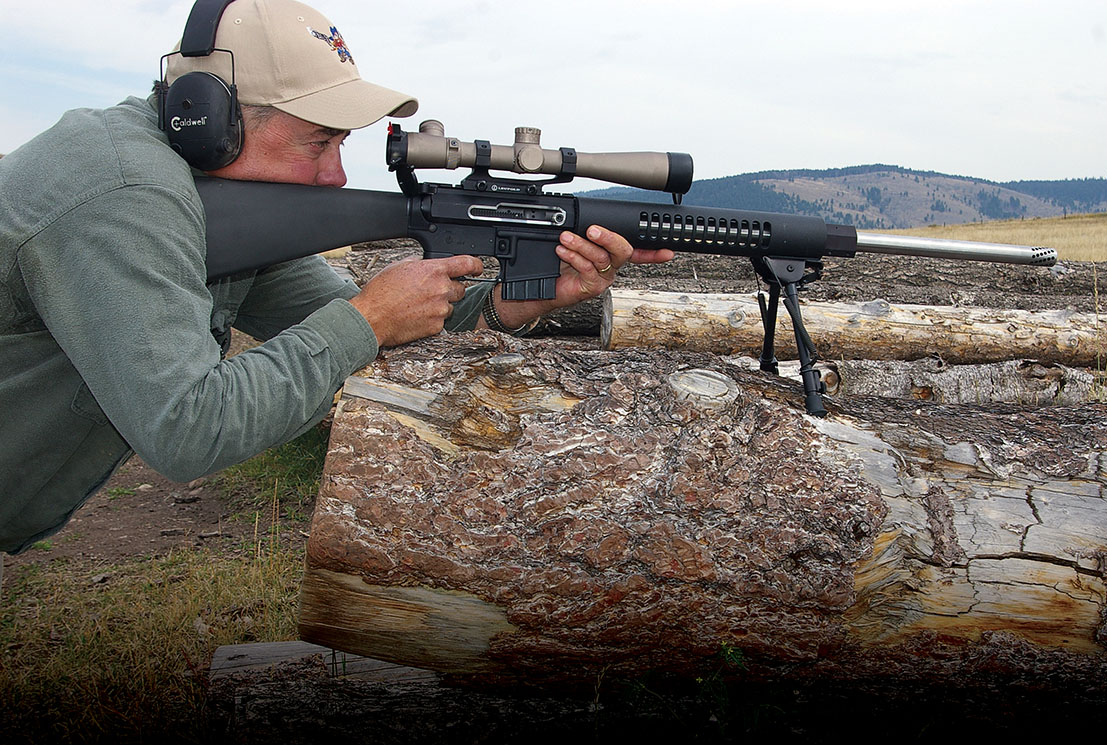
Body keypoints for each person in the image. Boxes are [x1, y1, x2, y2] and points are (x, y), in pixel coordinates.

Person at [0, 0, 670, 556]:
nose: (336, 175)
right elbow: (189, 429)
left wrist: (514, 303)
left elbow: (356, 316)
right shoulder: (124, 194)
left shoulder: (210, 195)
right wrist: (367, 320)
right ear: (209, 122)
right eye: (318, 142)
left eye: (341, 144)